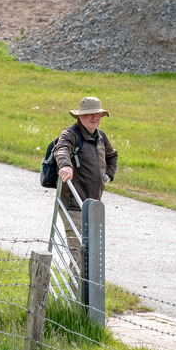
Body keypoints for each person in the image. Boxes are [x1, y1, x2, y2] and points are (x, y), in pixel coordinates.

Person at [54, 96, 118, 269]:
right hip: (73, 205)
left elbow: (112, 156)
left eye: (98, 114)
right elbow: (61, 150)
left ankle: (84, 295)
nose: (95, 118)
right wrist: (66, 166)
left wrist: (107, 176)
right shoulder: (71, 134)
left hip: (93, 206)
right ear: (80, 116)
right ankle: (77, 296)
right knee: (80, 255)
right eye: (90, 114)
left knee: (91, 255)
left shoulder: (101, 136)